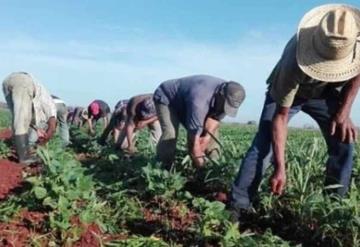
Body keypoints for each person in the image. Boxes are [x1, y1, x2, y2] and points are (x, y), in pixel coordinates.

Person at [230, 4, 360, 219]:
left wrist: (343, 112)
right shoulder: (294, 61)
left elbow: (357, 75)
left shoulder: (352, 41)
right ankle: (238, 206)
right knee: (263, 145)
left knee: (344, 140)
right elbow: (280, 118)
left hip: (325, 92)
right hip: (292, 93)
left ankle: (334, 208)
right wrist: (280, 167)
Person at [153, 75, 246, 168]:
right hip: (168, 99)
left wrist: (206, 138)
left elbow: (214, 120)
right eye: (226, 105)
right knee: (170, 134)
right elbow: (194, 138)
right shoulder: (200, 99)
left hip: (187, 100)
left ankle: (214, 168)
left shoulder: (230, 96)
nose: (225, 109)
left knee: (212, 136)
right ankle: (162, 169)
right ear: (221, 95)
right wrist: (199, 162)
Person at [2, 72, 57, 164]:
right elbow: (52, 127)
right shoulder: (50, 103)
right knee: (21, 119)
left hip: (6, 83)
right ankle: (24, 157)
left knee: (19, 117)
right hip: (23, 82)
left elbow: (30, 120)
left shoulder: (35, 103)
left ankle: (22, 151)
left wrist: (37, 129)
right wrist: (46, 138)